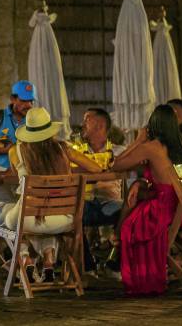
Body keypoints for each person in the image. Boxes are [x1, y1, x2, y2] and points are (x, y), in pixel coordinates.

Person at [3, 107, 101, 283]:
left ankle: (26, 259)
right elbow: (96, 168)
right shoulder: (64, 148)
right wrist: (67, 171)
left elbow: (14, 173)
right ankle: (48, 261)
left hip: (30, 218)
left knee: (11, 221)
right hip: (65, 220)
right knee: (44, 218)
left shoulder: (14, 151)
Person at [112, 104, 182, 296]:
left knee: (130, 225)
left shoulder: (151, 147)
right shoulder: (180, 147)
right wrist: (140, 182)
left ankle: (140, 278)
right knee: (134, 204)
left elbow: (116, 165)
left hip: (163, 209)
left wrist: (138, 140)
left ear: (153, 125)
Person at [75, 108, 125, 274]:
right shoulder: (75, 152)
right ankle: (87, 265)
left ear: (99, 125)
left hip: (110, 203)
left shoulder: (120, 152)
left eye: (86, 121)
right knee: (71, 214)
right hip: (85, 204)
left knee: (129, 211)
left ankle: (116, 260)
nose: (82, 125)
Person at [0, 80, 37, 169]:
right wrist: (3, 151)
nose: (29, 105)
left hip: (28, 173)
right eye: (24, 100)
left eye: (31, 101)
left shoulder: (36, 120)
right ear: (12, 99)